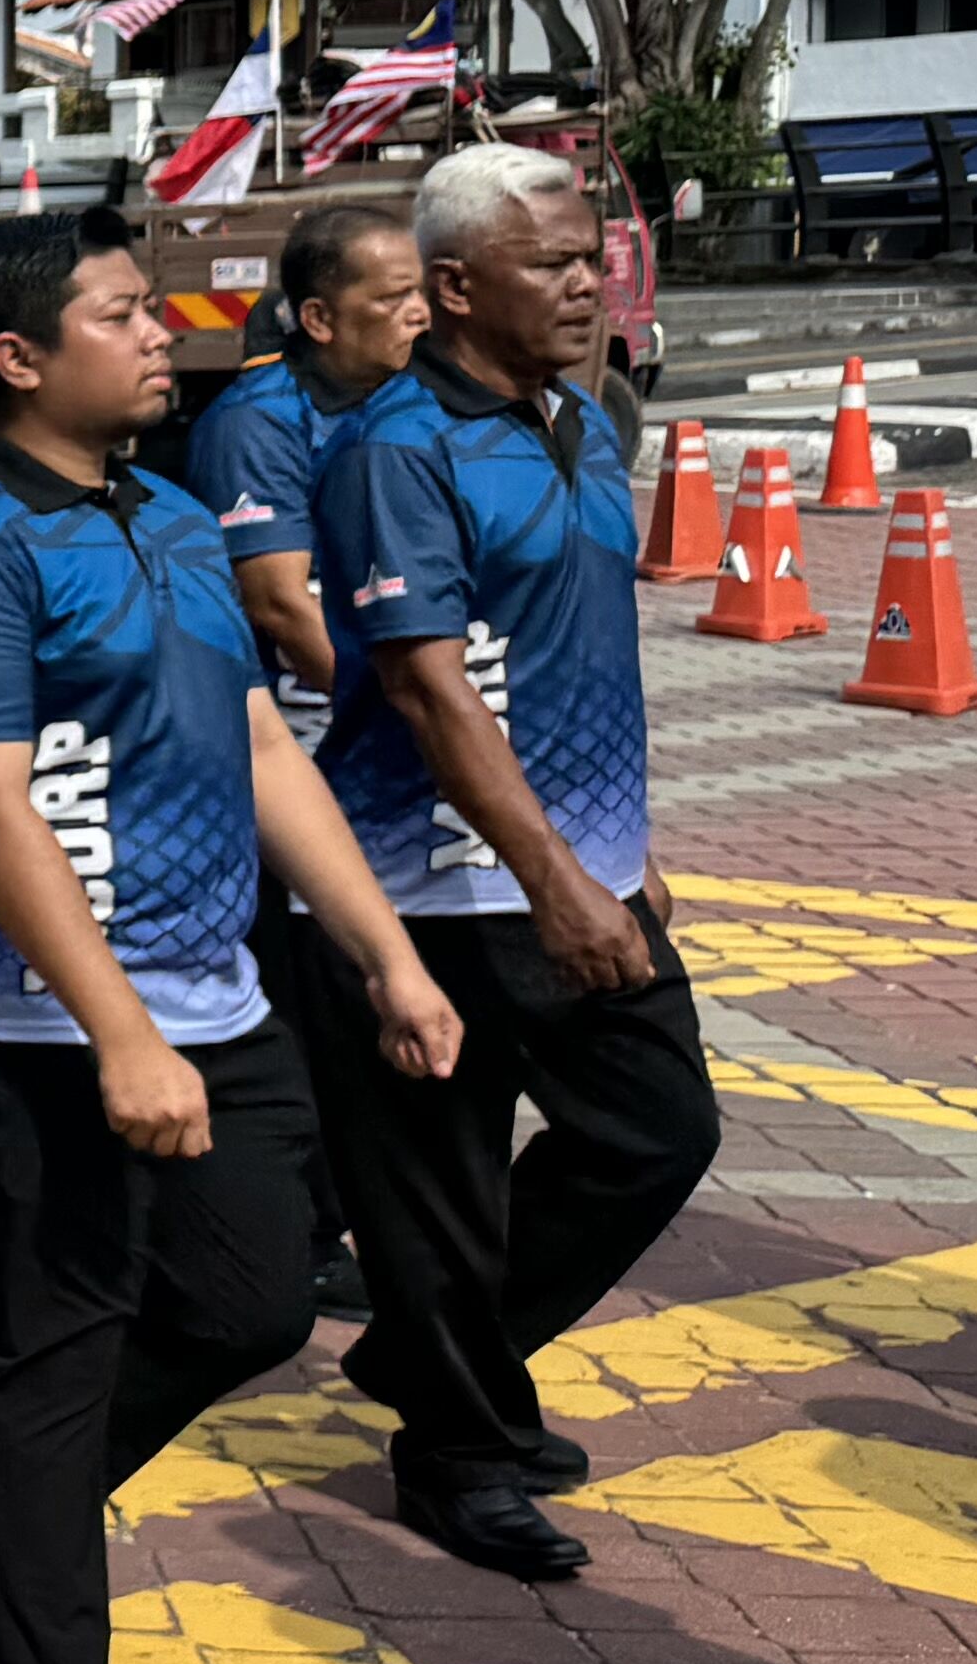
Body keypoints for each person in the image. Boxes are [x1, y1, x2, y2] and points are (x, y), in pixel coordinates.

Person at [0, 212, 467, 1664]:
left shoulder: (176, 518)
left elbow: (261, 745)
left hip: (214, 990)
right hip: (24, 1017)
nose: (159, 337)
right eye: (122, 314)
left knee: (252, 1300)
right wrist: (120, 1032)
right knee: (62, 1332)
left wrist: (388, 956)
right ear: (16, 357)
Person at [289, 143, 722, 1583]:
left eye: (592, 258)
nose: (589, 283)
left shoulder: (583, 419)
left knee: (658, 1134)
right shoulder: (396, 450)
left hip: (576, 872)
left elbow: (570, 658)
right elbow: (427, 687)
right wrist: (559, 882)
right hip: (430, 887)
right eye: (553, 263)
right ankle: (459, 1451)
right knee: (443, 1189)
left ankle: (433, 1356)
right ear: (459, 287)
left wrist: (624, 853)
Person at [183, 194, 425, 1315]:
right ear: (321, 318)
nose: (420, 313)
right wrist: (404, 708)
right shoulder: (258, 420)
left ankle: (381, 1213)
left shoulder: (417, 405)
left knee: (376, 994)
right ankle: (305, 1230)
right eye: (395, 297)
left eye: (424, 292)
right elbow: (280, 604)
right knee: (305, 1005)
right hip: (300, 753)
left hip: (390, 747)